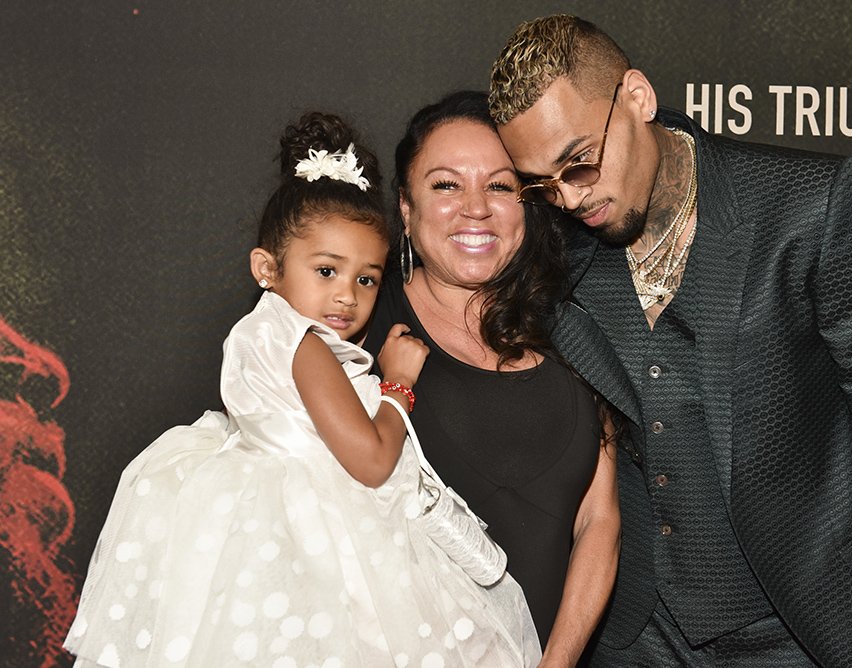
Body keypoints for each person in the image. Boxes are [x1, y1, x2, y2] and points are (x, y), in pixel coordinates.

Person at [488, 14, 852, 668]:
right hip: (636, 636)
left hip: (803, 632)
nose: (570, 199)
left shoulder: (812, 208)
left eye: (580, 163)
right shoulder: (560, 255)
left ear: (637, 98)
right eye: (544, 184)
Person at [63, 112, 542, 667]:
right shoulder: (303, 344)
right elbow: (371, 460)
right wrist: (398, 385)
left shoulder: (267, 332)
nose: (347, 296)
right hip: (313, 538)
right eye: (326, 271)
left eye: (365, 278)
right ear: (268, 268)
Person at [361, 91, 620, 666]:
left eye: (500, 186)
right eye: (446, 185)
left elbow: (599, 521)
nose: (475, 208)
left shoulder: (576, 333)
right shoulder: (360, 334)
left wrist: (556, 662)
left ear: (528, 205)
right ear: (405, 208)